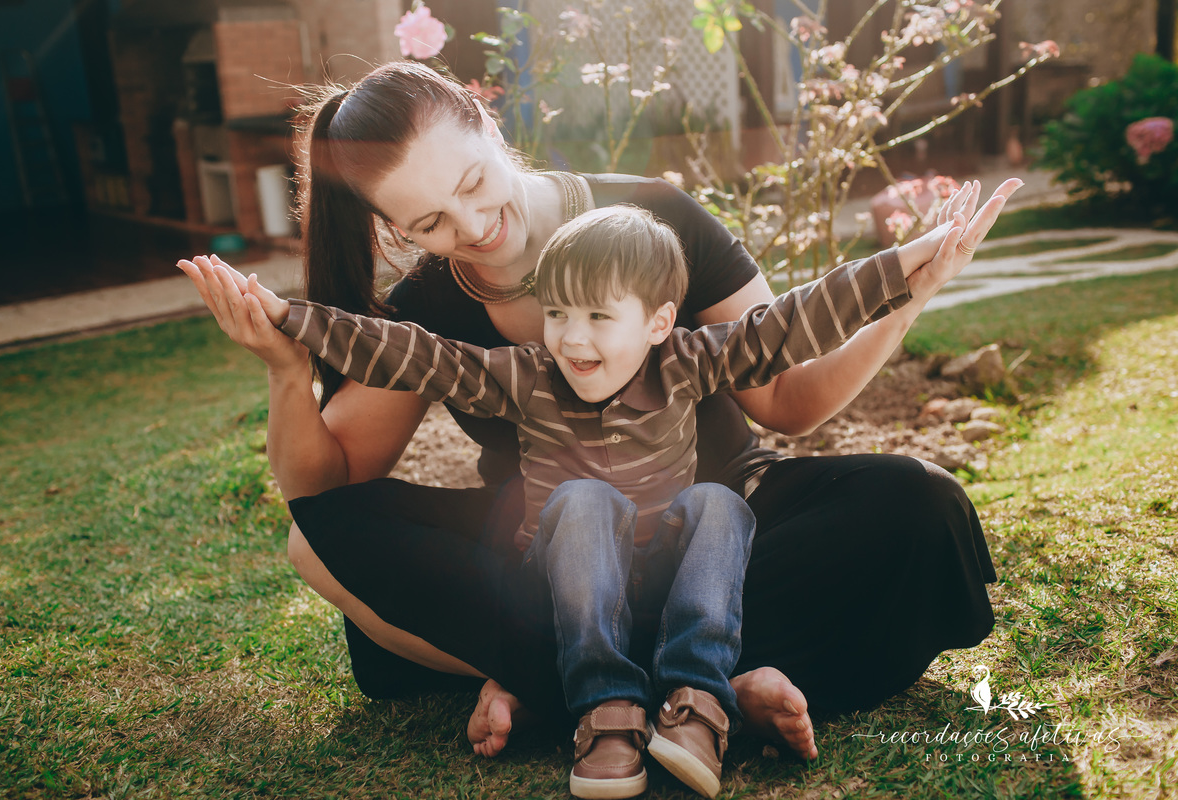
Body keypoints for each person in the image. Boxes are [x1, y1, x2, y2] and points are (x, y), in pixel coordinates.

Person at [177, 59, 1018, 768]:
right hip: (550, 554)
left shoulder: (658, 219)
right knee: (316, 537)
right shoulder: (429, 307)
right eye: (430, 222)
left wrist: (901, 305)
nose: (474, 226)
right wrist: (288, 372)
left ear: (486, 119)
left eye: (473, 183)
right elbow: (329, 487)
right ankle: (701, 689)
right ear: (394, 227)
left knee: (918, 503)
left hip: (723, 530)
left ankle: (574, 689)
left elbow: (789, 400)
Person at [214, 202, 926, 797]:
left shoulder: (689, 360)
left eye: (597, 315)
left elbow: (791, 324)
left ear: (656, 321)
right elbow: (408, 351)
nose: (572, 337)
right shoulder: (526, 376)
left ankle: (698, 701)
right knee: (582, 499)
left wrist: (910, 266)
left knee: (720, 503)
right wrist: (288, 319)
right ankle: (606, 708)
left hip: (671, 577)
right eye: (557, 313)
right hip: (564, 585)